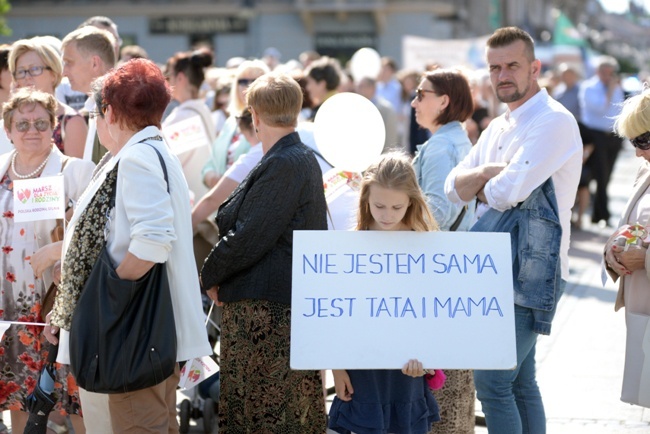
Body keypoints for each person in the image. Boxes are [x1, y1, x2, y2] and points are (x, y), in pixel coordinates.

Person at [44, 59, 212, 433]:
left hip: (133, 330)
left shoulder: (136, 157)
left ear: (112, 112)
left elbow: (152, 242)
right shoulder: (149, 151)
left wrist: (106, 294)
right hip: (148, 327)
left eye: (97, 112)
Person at [444, 27, 582, 434]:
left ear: (535, 67)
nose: (503, 75)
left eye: (513, 66)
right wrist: (488, 172)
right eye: (494, 68)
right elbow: (452, 187)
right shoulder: (500, 126)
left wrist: (483, 185)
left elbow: (507, 193)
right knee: (520, 382)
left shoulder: (553, 121)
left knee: (493, 380)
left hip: (531, 271)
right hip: (494, 268)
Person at [200, 71, 328, 432]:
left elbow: (248, 236)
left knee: (267, 415)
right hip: (270, 312)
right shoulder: (288, 157)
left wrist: (210, 274)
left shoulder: (286, 161)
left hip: (269, 316)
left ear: (254, 116)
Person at [0, 88, 94, 434]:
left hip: (59, 306)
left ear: (53, 126)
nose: (31, 130)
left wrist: (58, 250)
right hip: (10, 308)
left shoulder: (77, 172)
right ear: (8, 129)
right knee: (18, 394)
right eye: (21, 123)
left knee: (75, 397)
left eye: (41, 122)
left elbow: (99, 233)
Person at [328, 152, 440, 434]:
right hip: (361, 374)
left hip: (406, 375)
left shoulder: (426, 248)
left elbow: (436, 312)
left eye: (396, 207)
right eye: (379, 206)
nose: (387, 215)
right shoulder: (348, 248)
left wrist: (428, 361)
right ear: (365, 199)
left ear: (411, 203)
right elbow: (333, 314)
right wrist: (337, 368)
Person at [410, 68, 476, 433]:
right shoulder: (455, 138)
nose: (415, 101)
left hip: (436, 269)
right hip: (454, 268)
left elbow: (437, 210)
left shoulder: (439, 146)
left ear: (444, 100)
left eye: (422, 94)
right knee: (455, 378)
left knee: (441, 382)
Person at [603, 87, 650, 409]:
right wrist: (613, 250)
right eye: (633, 143)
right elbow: (629, 222)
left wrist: (644, 257)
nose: (637, 152)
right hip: (642, 306)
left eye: (642, 141)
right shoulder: (645, 170)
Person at [8, 37, 88, 157]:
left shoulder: (71, 121)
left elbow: (77, 174)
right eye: (21, 71)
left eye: (34, 69)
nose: (27, 76)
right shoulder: (9, 122)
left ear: (53, 74)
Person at [201, 59, 269, 189]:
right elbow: (210, 162)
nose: (248, 86)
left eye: (254, 81)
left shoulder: (269, 123)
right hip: (223, 201)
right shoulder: (231, 121)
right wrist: (211, 178)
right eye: (242, 81)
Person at [162, 48, 216, 200]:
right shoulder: (203, 110)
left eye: (169, 75)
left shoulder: (183, 116)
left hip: (186, 205)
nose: (167, 81)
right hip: (200, 199)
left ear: (180, 77)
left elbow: (164, 164)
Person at [191, 107, 260, 229]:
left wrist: (183, 229)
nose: (247, 141)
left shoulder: (254, 157)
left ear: (254, 125)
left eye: (243, 135)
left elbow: (212, 200)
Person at [579, 55, 625, 225]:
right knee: (601, 175)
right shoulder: (588, 87)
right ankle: (602, 214)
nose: (608, 75)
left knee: (607, 176)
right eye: (605, 72)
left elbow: (618, 110)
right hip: (595, 135)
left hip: (613, 136)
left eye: (610, 72)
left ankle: (598, 214)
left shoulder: (616, 88)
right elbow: (600, 109)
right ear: (598, 71)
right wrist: (611, 90)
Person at [61, 26, 116, 164]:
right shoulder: (97, 105)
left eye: (69, 63)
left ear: (94, 63)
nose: (64, 72)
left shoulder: (119, 108)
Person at [356, 76, 398, 152]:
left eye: (361, 86)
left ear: (372, 88)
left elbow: (390, 140)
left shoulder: (386, 110)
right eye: (358, 86)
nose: (358, 90)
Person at [304, 56, 342, 121]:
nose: (307, 88)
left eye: (310, 82)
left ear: (322, 84)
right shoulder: (340, 103)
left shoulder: (327, 109)